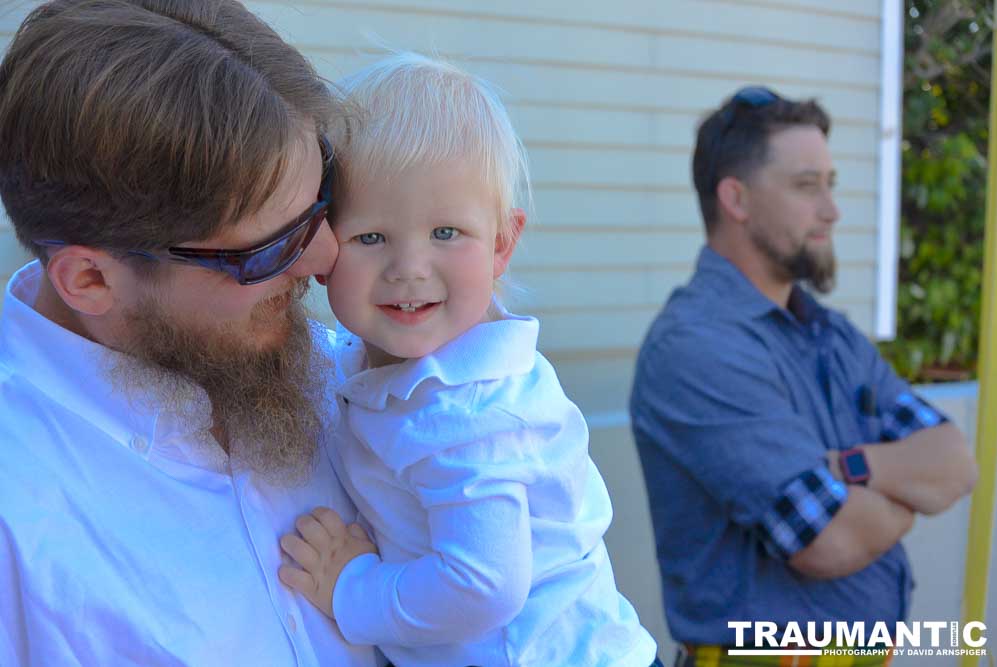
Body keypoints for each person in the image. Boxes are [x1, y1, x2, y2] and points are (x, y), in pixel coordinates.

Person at [0, 1, 378, 665]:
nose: (326, 260)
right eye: (269, 249)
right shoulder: (20, 519)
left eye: (325, 202)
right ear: (91, 279)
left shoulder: (346, 375)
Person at [275, 52, 660, 667]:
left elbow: (482, 585)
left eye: (446, 233)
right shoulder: (384, 365)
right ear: (323, 250)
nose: (409, 268)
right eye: (371, 237)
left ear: (503, 243)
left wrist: (352, 588)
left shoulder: (472, 411)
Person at [629, 87, 977, 666]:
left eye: (830, 185)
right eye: (806, 185)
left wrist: (850, 468)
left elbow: (954, 461)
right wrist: (905, 496)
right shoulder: (697, 347)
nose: (831, 210)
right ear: (735, 199)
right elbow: (829, 539)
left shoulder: (831, 334)